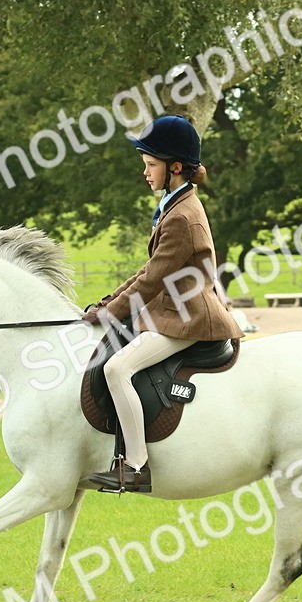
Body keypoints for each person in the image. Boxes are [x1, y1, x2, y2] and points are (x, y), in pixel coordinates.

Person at [81, 115, 242, 492]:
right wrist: (107, 304)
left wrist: (110, 313)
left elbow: (153, 280)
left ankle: (136, 467)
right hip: (172, 311)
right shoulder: (176, 205)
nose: (145, 172)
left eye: (150, 165)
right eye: (144, 164)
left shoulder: (182, 217)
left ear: (175, 168)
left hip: (187, 317)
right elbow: (148, 270)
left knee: (117, 369)